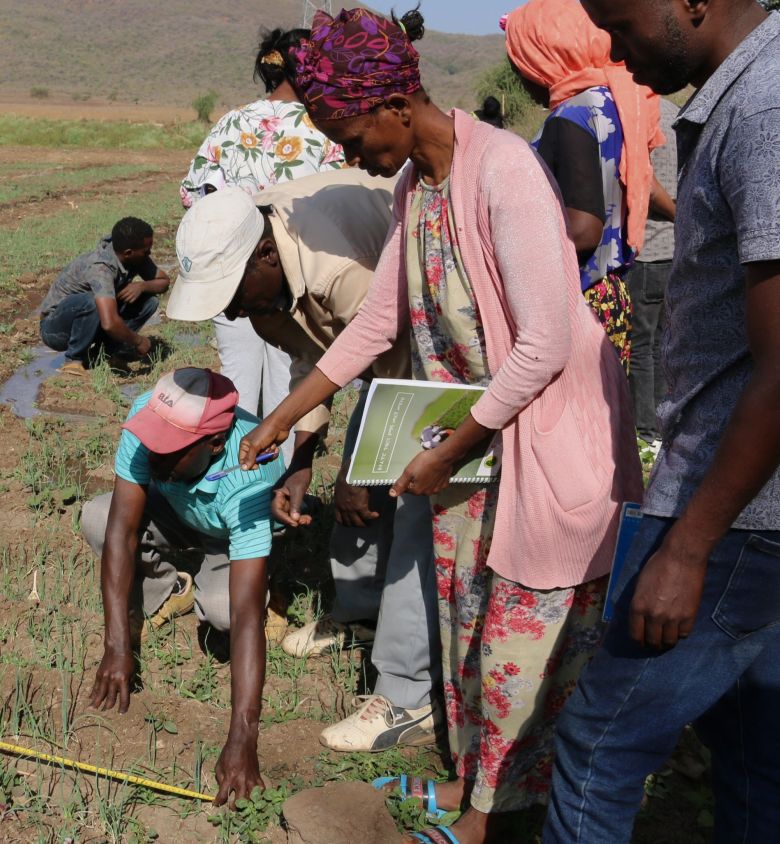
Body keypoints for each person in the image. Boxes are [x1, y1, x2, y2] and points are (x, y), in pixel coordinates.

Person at [242, 9, 642, 843]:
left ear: (394, 103)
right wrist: (284, 416)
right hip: (473, 445)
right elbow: (377, 318)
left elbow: (545, 344)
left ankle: (493, 823)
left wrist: (449, 449)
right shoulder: (413, 185)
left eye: (351, 135)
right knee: (466, 627)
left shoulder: (502, 172)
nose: (350, 155)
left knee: (517, 648)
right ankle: (477, 789)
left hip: (541, 441)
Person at [545, 1, 780, 841]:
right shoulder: (742, 94)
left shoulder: (764, 106)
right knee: (753, 745)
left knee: (598, 746)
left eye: (619, 17)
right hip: (745, 501)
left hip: (736, 507)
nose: (610, 46)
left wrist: (687, 546)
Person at [169, 176, 443, 754]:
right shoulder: (264, 292)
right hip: (387, 359)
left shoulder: (333, 270)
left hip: (424, 357)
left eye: (234, 294)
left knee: (413, 501)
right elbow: (309, 359)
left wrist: (353, 472)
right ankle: (361, 613)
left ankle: (408, 694)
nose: (236, 313)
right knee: (360, 500)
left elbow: (391, 372)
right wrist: (301, 457)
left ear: (265, 253)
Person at [80, 367, 289, 807]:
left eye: (170, 450)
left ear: (215, 444)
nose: (153, 455)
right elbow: (121, 531)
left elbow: (248, 619)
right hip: (177, 511)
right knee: (97, 517)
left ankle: (275, 582)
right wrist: (118, 646)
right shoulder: (150, 420)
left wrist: (242, 737)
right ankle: (170, 590)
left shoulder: (252, 474)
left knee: (226, 612)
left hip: (232, 537)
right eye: (152, 442)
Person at [180, 28, 345, 426]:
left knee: (236, 377)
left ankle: (236, 472)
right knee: (292, 379)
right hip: (297, 279)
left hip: (229, 274)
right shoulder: (324, 128)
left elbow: (191, 193)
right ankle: (279, 479)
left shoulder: (231, 122)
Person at [505, 0, 666, 369]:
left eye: (521, 60)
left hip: (578, 301)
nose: (519, 75)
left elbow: (583, 231)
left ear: (546, 52)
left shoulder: (572, 113)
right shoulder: (619, 100)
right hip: (612, 293)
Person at [37, 217, 171, 371]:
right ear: (128, 253)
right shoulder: (101, 268)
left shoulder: (134, 257)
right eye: (145, 251)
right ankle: (74, 360)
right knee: (92, 302)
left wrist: (142, 286)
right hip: (56, 329)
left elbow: (163, 281)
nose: (149, 253)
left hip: (91, 320)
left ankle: (102, 354)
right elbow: (109, 323)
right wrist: (139, 341)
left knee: (149, 302)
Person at [626, 96, 680, 448]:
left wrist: (678, 213)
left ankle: (646, 432)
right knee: (661, 344)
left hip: (649, 250)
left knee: (642, 346)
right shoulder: (677, 112)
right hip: (673, 249)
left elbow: (645, 184)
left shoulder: (640, 114)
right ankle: (659, 428)